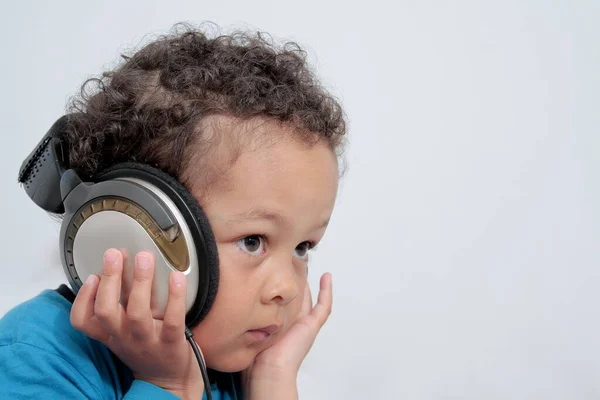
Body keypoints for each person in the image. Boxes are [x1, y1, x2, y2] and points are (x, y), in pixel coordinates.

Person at [0, 23, 347, 399]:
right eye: (253, 241)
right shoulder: (38, 355)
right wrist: (168, 386)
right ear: (131, 230)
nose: (288, 289)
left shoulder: (238, 366)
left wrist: (272, 382)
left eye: (302, 247)